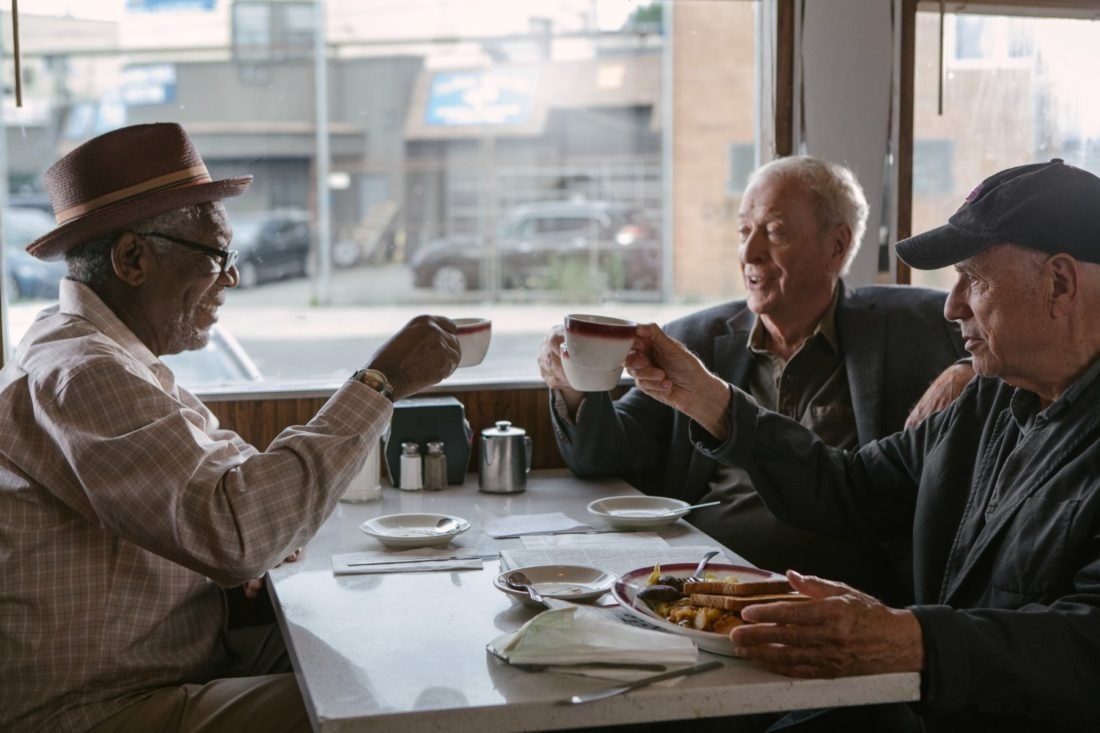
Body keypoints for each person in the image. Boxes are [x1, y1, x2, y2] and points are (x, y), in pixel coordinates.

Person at [0, 123, 461, 733]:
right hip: (100, 706)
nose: (231, 279)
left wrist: (256, 530)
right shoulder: (85, 372)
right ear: (133, 258)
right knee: (386, 709)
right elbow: (238, 531)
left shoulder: (99, 352)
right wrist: (380, 383)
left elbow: (227, 479)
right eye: (216, 256)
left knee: (385, 651)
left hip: (168, 663)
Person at [624, 158, 1100, 732]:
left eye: (973, 278)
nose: (952, 306)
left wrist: (912, 641)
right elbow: (852, 488)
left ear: (1061, 284)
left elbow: (1084, 644)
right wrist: (709, 400)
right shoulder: (991, 398)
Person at [537, 156, 969, 602]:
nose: (749, 253)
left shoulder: (911, 327)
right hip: (706, 580)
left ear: (836, 247)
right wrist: (572, 384)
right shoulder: (697, 340)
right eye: (745, 231)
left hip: (844, 593)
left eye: (775, 231)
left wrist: (968, 369)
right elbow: (602, 455)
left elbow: (1015, 340)